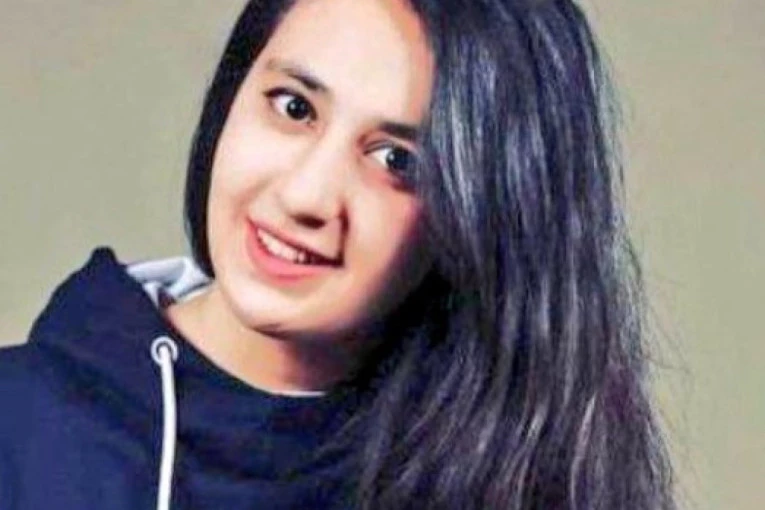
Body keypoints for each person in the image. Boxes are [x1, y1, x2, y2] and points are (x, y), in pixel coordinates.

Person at [0, 0, 676, 509]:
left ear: (485, 214)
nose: (306, 196)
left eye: (396, 161)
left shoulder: (510, 477)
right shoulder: (21, 423)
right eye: (293, 107)